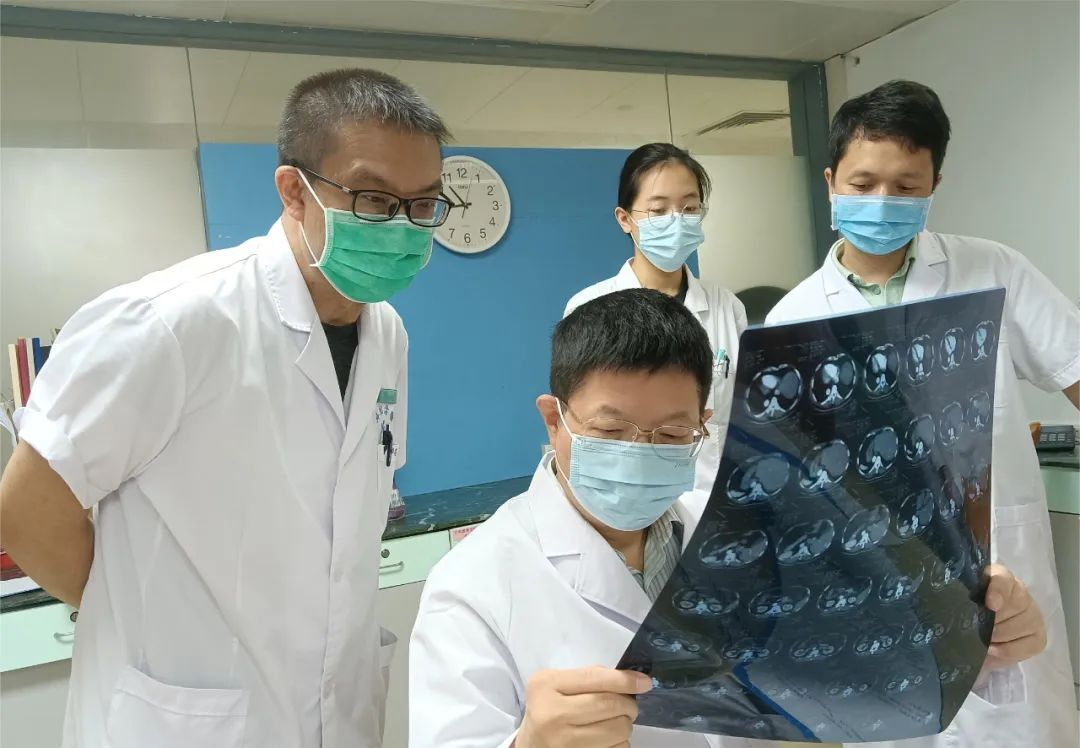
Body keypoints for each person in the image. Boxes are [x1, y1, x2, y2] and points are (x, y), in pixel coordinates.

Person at [0, 68, 451, 748]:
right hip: (185, 725)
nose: (402, 227)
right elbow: (28, 512)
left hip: (339, 717)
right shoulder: (168, 323)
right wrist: (135, 614)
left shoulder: (387, 333)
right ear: (294, 192)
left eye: (423, 206)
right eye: (373, 199)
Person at [408, 289, 1047, 748]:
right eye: (610, 430)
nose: (639, 452)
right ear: (554, 419)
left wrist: (978, 640)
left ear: (702, 428)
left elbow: (857, 667)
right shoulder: (474, 584)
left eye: (670, 433)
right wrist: (528, 745)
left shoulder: (738, 537)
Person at [767, 79, 1079, 747]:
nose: (883, 201)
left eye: (906, 186)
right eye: (864, 183)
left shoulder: (993, 270)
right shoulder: (793, 319)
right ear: (830, 181)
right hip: (875, 578)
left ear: (936, 184)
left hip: (1001, 569)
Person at [564, 144, 746, 515]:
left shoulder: (727, 308)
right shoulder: (589, 308)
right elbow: (581, 428)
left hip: (713, 507)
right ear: (624, 218)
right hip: (625, 507)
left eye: (689, 208)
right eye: (659, 210)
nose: (676, 220)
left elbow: (744, 419)